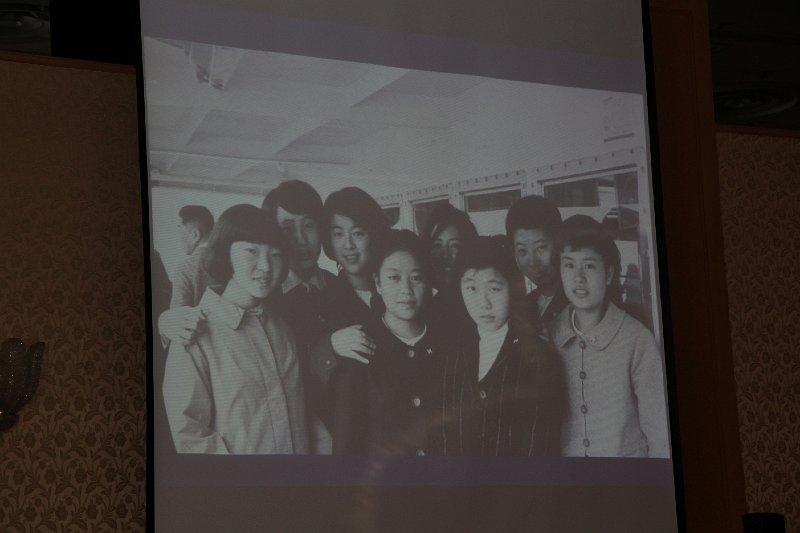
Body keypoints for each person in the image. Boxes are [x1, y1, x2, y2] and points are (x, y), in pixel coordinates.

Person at [162, 204, 309, 454]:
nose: (266, 266)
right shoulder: (192, 332)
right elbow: (190, 436)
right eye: (251, 251)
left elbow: (301, 416)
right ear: (225, 254)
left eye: (275, 254)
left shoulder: (282, 329)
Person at [548, 215, 669, 458]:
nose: (578, 277)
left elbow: (660, 435)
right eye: (569, 265)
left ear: (609, 274)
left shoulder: (637, 340)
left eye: (589, 266)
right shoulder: (549, 336)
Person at [437, 236, 564, 456]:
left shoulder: (538, 357)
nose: (483, 303)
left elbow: (538, 448)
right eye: (472, 288)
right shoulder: (452, 353)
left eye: (494, 289)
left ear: (514, 289)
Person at [330, 230, 444, 456]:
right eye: (394, 278)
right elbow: (346, 449)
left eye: (416, 278)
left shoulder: (446, 345)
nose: (406, 290)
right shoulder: (359, 348)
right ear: (378, 283)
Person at [308, 187, 391, 390]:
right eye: (338, 234)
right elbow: (308, 379)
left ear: (373, 235)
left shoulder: (396, 291)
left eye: (358, 233)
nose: (348, 245)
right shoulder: (321, 302)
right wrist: (330, 347)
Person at [505, 195, 567, 335]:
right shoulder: (525, 304)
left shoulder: (579, 301)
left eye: (541, 248)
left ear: (558, 243)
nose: (532, 262)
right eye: (522, 251)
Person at [171, 205, 217, 307]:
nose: (179, 237)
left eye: (179, 228)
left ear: (195, 234)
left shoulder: (185, 269)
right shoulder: (233, 261)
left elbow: (176, 315)